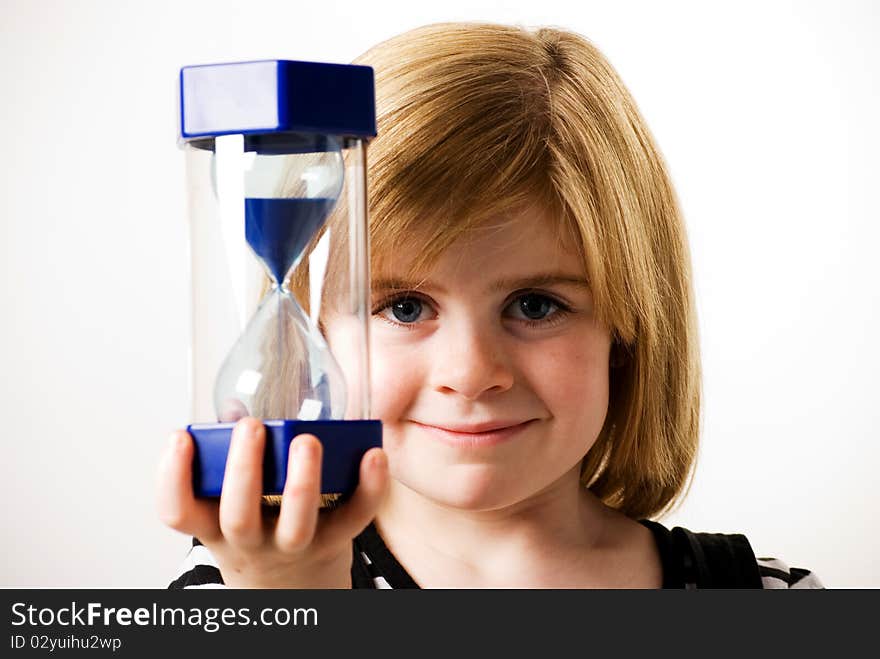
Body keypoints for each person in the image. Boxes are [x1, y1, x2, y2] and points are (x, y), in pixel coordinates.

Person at [158, 22, 823, 589]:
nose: (471, 372)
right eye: (407, 307)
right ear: (315, 330)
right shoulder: (238, 587)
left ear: (626, 328)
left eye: (535, 305)